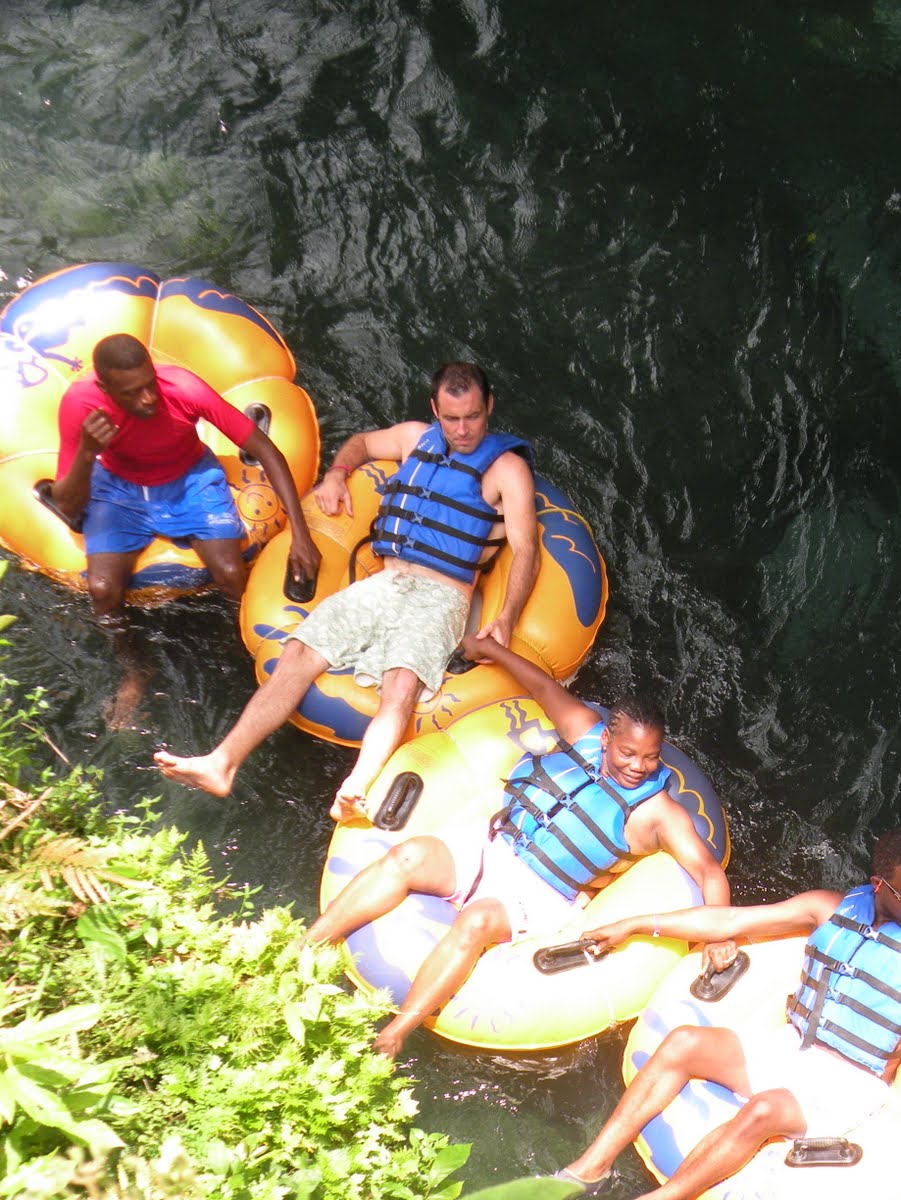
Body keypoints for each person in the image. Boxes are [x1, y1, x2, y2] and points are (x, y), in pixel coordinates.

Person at [548, 827, 901, 1199]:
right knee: (684, 1042)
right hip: (790, 1049)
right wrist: (638, 923)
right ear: (878, 885)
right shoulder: (830, 906)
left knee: (765, 1109)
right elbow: (733, 917)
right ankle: (587, 1167)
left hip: (849, 1084)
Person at [302, 636, 732, 1058]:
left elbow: (708, 872)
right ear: (606, 740)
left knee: (476, 920)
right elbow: (543, 688)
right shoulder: (584, 729)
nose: (638, 766)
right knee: (405, 856)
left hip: (541, 893)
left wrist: (719, 935)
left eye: (650, 757)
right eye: (628, 752)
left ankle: (396, 1033)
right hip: (495, 845)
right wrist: (489, 650)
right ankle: (306, 945)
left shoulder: (659, 812)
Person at [154, 361, 538, 807]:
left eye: (473, 416)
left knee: (401, 684)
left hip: (441, 595)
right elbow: (361, 443)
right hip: (386, 582)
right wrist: (337, 473)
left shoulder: (507, 469)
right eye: (451, 418)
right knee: (298, 651)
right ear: (434, 409)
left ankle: (355, 789)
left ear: (489, 406)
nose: (463, 429)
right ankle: (221, 763)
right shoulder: (416, 437)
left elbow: (525, 549)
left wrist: (506, 617)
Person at [51, 333, 319, 726]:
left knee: (230, 574)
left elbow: (264, 448)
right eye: (132, 392)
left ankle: (244, 649)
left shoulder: (183, 388)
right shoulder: (81, 405)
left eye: (149, 384)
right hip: (119, 488)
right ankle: (135, 671)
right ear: (105, 388)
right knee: (103, 590)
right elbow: (67, 503)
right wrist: (89, 451)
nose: (147, 398)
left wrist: (301, 534)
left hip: (189, 479)